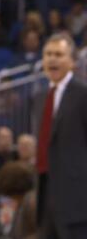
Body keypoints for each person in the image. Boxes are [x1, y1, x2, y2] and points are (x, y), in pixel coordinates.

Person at [35, 32, 87, 238]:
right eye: (48, 54)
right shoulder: (40, 98)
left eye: (58, 54)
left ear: (73, 62)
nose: (52, 59)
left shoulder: (83, 94)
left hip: (77, 199)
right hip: (46, 190)